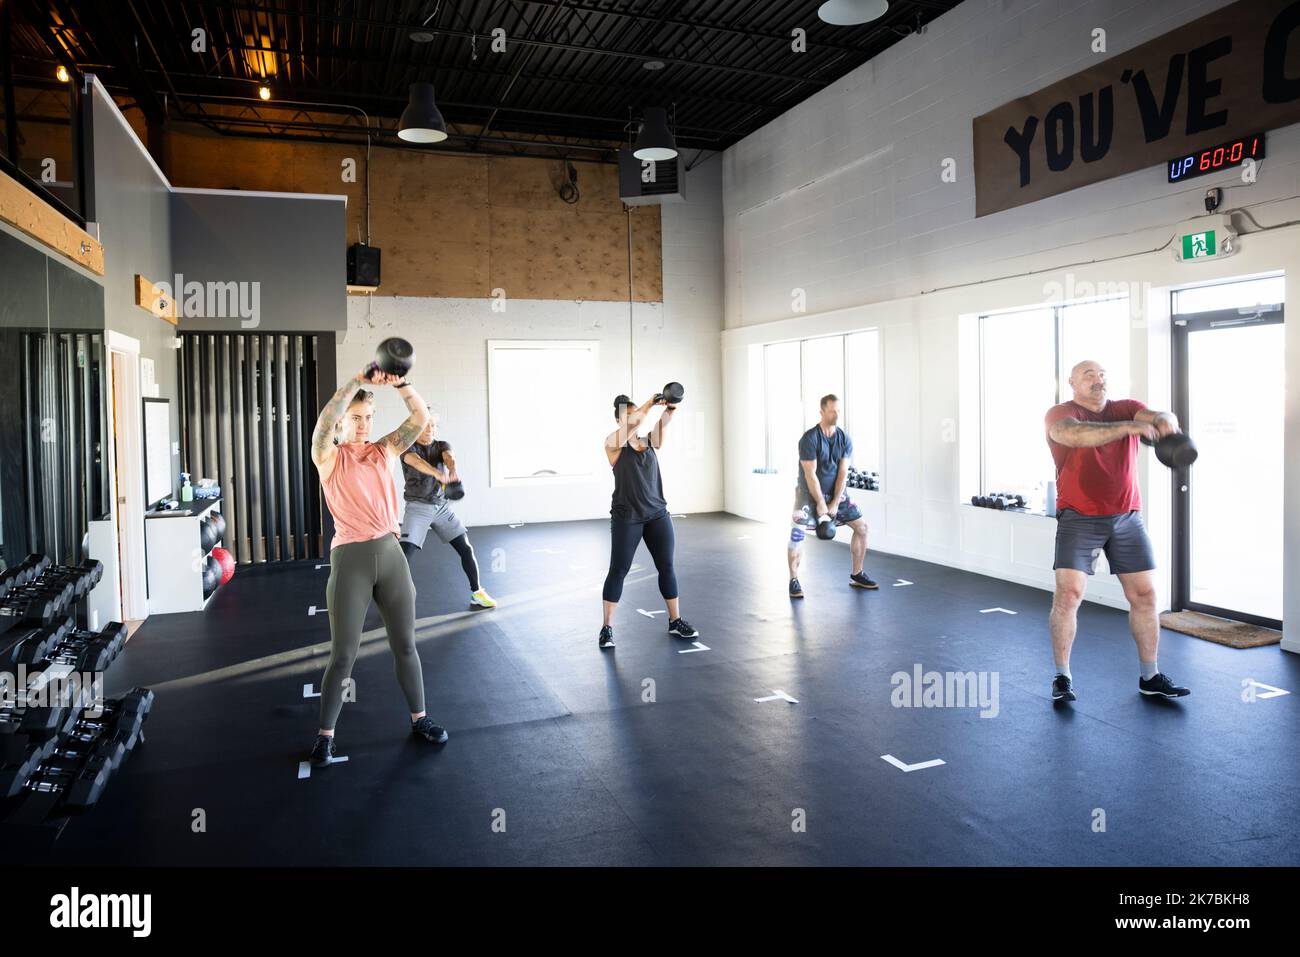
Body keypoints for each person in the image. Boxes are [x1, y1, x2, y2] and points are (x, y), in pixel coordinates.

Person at [307, 367, 449, 767]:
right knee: (343, 655)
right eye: (356, 419)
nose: (363, 426)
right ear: (342, 421)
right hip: (350, 559)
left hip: (390, 554)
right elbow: (322, 423)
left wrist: (401, 385)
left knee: (405, 643)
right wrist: (356, 381)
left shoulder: (383, 449)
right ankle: (325, 736)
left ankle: (419, 719)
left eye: (368, 419)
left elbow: (419, 419)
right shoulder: (328, 456)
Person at [1045, 359, 1190, 702]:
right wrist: (1128, 428)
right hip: (1079, 517)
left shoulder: (1126, 407)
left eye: (1101, 374)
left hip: (1127, 518)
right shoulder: (1061, 413)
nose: (1097, 380)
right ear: (1072, 383)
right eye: (1088, 375)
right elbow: (1074, 436)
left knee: (1145, 596)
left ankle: (1150, 676)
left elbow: (1158, 416)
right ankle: (1062, 677)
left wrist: (1166, 425)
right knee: (1068, 595)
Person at [598, 393, 697, 650]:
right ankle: (607, 628)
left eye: (635, 412)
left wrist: (670, 409)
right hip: (627, 519)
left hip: (657, 516)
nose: (633, 417)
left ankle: (675, 621)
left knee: (667, 566)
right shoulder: (613, 443)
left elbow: (661, 428)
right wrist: (651, 403)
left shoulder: (648, 441)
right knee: (618, 570)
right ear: (620, 419)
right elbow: (633, 425)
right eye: (628, 414)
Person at [398, 412, 496, 610]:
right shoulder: (407, 447)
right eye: (426, 426)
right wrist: (437, 474)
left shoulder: (442, 445)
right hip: (417, 508)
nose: (430, 430)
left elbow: (449, 457)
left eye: (433, 426)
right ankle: (393, 599)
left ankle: (477, 592)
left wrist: (452, 470)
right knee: (404, 554)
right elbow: (416, 462)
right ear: (416, 428)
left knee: (466, 548)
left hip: (441, 507)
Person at [788, 394, 876, 598]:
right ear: (822, 412)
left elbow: (843, 472)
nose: (836, 414)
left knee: (862, 527)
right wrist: (820, 502)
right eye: (832, 411)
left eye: (838, 411)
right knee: (797, 536)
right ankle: (794, 579)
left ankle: (857, 573)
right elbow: (810, 474)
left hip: (837, 493)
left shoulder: (844, 438)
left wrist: (835, 501)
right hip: (808, 495)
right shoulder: (809, 439)